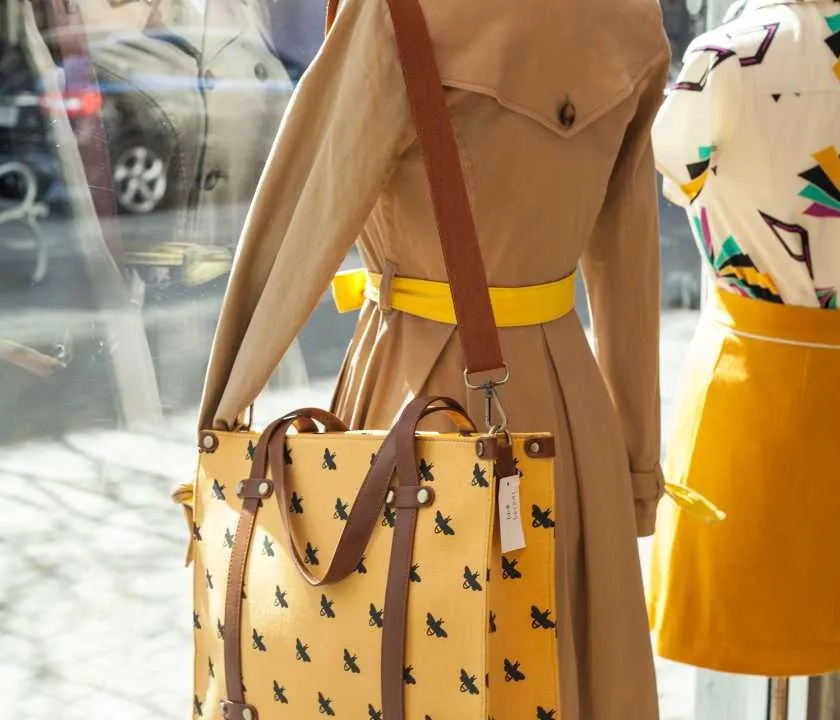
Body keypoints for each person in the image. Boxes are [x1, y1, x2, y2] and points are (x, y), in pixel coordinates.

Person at [198, 0, 671, 717]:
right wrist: (636, 466)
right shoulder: (633, 16)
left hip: (418, 392)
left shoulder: (399, 10)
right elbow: (628, 256)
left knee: (398, 658)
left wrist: (220, 420)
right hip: (571, 415)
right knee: (557, 669)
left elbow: (312, 202)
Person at [648, 0, 840, 677]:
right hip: (773, 392)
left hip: (753, 402)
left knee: (741, 629)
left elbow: (680, 174)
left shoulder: (724, 61)